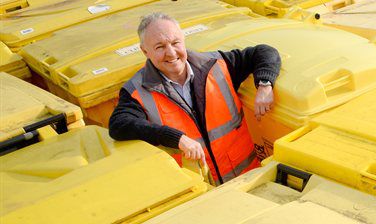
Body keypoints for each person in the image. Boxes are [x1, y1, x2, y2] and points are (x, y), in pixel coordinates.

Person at [109, 12, 280, 185]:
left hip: (249, 181)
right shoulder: (137, 90)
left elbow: (264, 52)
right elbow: (118, 125)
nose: (171, 53)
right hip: (199, 196)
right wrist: (176, 138)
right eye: (159, 47)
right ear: (145, 51)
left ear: (183, 40)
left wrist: (265, 84)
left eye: (175, 43)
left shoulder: (216, 65)